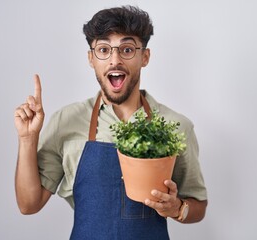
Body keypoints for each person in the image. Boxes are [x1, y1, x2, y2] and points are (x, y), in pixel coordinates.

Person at [14, 5, 207, 239]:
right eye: (103, 49)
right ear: (91, 58)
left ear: (144, 57)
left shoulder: (175, 126)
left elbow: (198, 206)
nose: (115, 60)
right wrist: (27, 138)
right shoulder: (66, 121)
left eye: (127, 49)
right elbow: (28, 204)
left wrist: (178, 208)